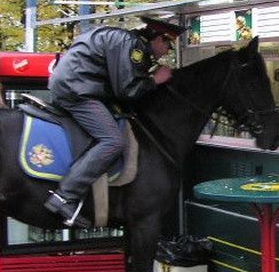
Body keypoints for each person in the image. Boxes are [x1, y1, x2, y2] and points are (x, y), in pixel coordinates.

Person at [45, 16, 185, 227]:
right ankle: (64, 196)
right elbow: (126, 89)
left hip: (74, 84)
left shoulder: (127, 41)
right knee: (113, 141)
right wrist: (155, 80)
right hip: (78, 90)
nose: (167, 51)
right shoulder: (133, 46)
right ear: (156, 39)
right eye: (167, 45)